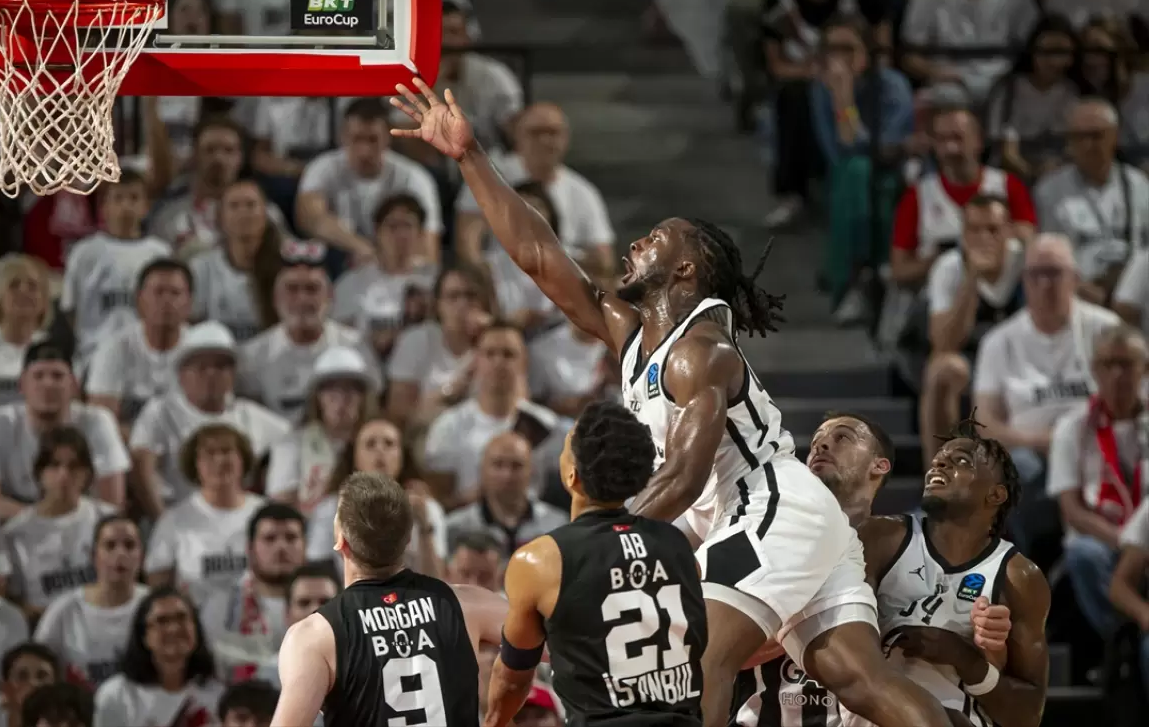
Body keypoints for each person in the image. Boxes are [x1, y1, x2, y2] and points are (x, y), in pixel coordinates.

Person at [391, 78, 955, 727]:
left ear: (685, 271)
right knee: (863, 680)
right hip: (768, 517)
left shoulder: (700, 351)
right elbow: (541, 256)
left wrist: (591, 544)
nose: (635, 243)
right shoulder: (637, 337)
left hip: (770, 506)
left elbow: (686, 476)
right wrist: (470, 156)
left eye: (656, 237)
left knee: (700, 656)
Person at [736, 413, 1013, 726]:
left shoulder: (902, 551)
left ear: (879, 465)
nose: (821, 446)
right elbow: (725, 648)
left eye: (842, 437)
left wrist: (990, 645)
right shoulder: (769, 535)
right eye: (815, 442)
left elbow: (966, 666)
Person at [484, 401, 707, 727]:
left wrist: (493, 721)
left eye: (566, 447)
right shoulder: (678, 547)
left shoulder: (540, 560)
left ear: (571, 474)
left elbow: (513, 678)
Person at [272, 472, 510, 726]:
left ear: (340, 540)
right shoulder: (465, 604)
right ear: (408, 539)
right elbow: (542, 634)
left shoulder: (316, 635)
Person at [854, 419, 1051, 727]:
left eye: (961, 461)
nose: (939, 464)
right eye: (938, 459)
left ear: (996, 495)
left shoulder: (1019, 576)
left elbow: (1026, 716)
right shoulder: (880, 537)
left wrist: (965, 658)